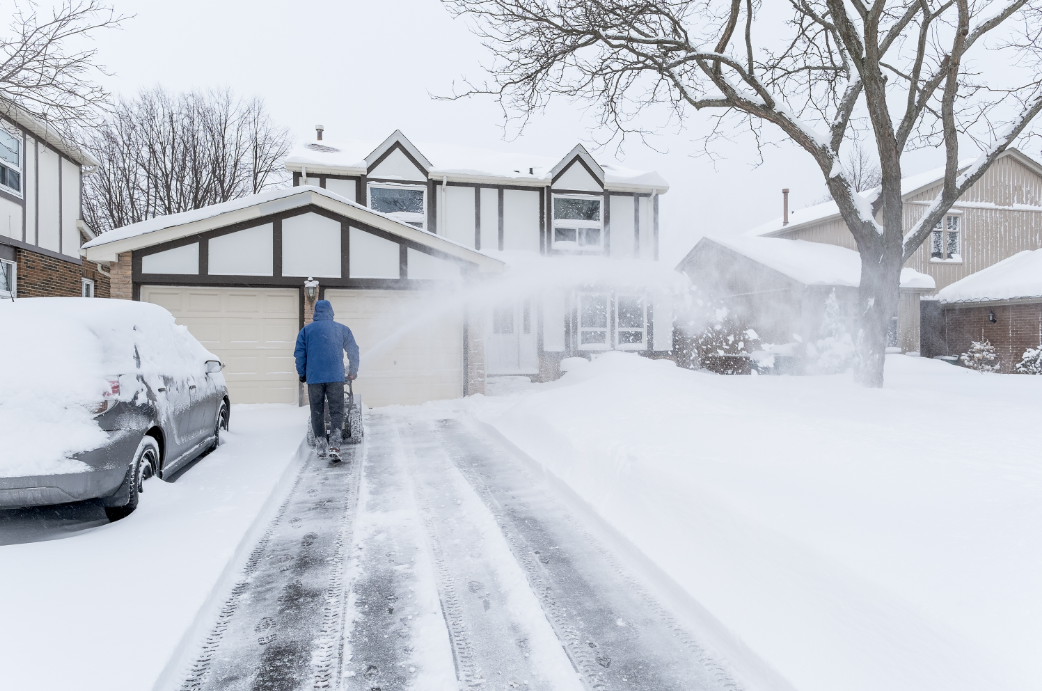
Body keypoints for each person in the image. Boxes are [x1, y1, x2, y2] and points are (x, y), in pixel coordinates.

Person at [293, 300, 359, 460]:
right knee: (337, 411)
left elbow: (299, 354)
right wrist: (352, 371)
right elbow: (353, 350)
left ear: (316, 312)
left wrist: (302, 373)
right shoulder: (342, 329)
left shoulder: (306, 331)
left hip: (314, 378)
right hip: (335, 378)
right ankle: (335, 446)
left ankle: (321, 446)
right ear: (331, 312)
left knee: (317, 411)